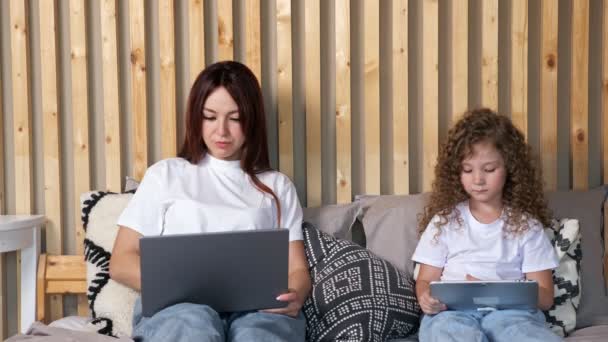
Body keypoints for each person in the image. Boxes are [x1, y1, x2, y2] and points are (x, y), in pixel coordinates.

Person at [109, 61, 310, 341]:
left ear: (251, 120)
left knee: (256, 334)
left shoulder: (278, 186)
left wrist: (296, 295)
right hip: (178, 310)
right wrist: (182, 289)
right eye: (210, 117)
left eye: (235, 118)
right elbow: (120, 261)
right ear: (196, 117)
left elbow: (297, 269)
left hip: (258, 310)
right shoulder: (165, 175)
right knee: (194, 326)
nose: (222, 132)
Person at [411, 108, 562, 342]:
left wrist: (496, 292)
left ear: (510, 169)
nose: (478, 179)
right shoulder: (444, 221)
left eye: (489, 169)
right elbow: (425, 280)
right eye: (468, 170)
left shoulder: (527, 227)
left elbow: (545, 297)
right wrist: (425, 297)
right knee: (444, 331)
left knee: (524, 334)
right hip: (452, 313)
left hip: (512, 315)